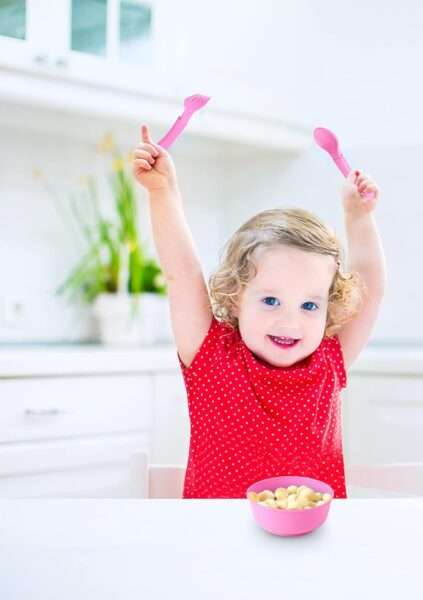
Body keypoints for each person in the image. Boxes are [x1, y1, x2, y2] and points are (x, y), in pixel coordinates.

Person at [133, 124, 386, 498]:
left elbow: (371, 289)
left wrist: (358, 216)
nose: (290, 321)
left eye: (309, 305)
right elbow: (182, 272)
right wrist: (162, 191)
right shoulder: (210, 357)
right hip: (216, 543)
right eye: (270, 301)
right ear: (235, 296)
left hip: (312, 546)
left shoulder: (329, 360)